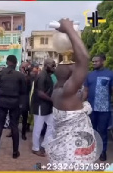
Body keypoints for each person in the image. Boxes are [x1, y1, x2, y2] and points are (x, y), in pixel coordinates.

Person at [45, 18, 98, 170]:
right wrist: (69, 30)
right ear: (70, 76)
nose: (78, 68)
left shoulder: (57, 90)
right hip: (73, 157)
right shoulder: (67, 92)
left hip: (66, 151)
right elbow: (84, 59)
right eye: (75, 68)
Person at [0, 55, 26, 159]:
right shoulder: (20, 76)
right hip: (15, 102)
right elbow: (23, 92)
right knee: (14, 126)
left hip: (3, 101)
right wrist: (21, 105)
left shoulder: (0, 74)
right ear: (15, 63)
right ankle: (15, 152)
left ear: (7, 62)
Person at [82, 54, 113, 161]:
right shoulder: (89, 75)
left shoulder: (110, 74)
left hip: (104, 109)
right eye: (93, 61)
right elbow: (85, 91)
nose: (94, 63)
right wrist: (80, 103)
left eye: (96, 61)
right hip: (91, 109)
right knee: (92, 130)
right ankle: (93, 150)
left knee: (103, 131)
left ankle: (103, 152)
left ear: (103, 61)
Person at [31, 57, 56, 157]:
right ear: (47, 65)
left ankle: (44, 145)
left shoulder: (48, 75)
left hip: (47, 105)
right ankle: (35, 148)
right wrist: (52, 100)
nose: (54, 68)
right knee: (38, 127)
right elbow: (40, 93)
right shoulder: (42, 76)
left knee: (51, 125)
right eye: (53, 66)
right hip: (40, 105)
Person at [6, 61, 32, 140]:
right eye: (22, 67)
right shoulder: (17, 75)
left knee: (24, 117)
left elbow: (29, 86)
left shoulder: (28, 77)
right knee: (14, 117)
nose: (23, 68)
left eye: (24, 67)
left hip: (25, 98)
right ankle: (12, 131)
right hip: (17, 98)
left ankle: (23, 133)